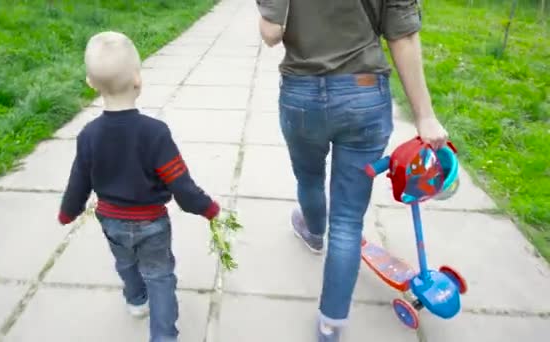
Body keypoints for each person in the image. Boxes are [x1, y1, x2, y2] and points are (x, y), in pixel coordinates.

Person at [256, 1, 449, 341]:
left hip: (302, 96)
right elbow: (402, 35)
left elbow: (271, 33)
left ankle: (314, 232)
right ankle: (331, 324)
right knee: (347, 220)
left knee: (309, 177)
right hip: (364, 95)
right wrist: (425, 116)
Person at [57, 31, 220, 342]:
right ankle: (163, 336)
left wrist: (68, 212)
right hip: (151, 224)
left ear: (91, 83)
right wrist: (207, 207)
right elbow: (181, 185)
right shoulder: (155, 134)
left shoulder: (89, 135)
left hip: (111, 221)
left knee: (125, 261)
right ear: (138, 80)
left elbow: (79, 180)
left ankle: (135, 300)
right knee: (160, 276)